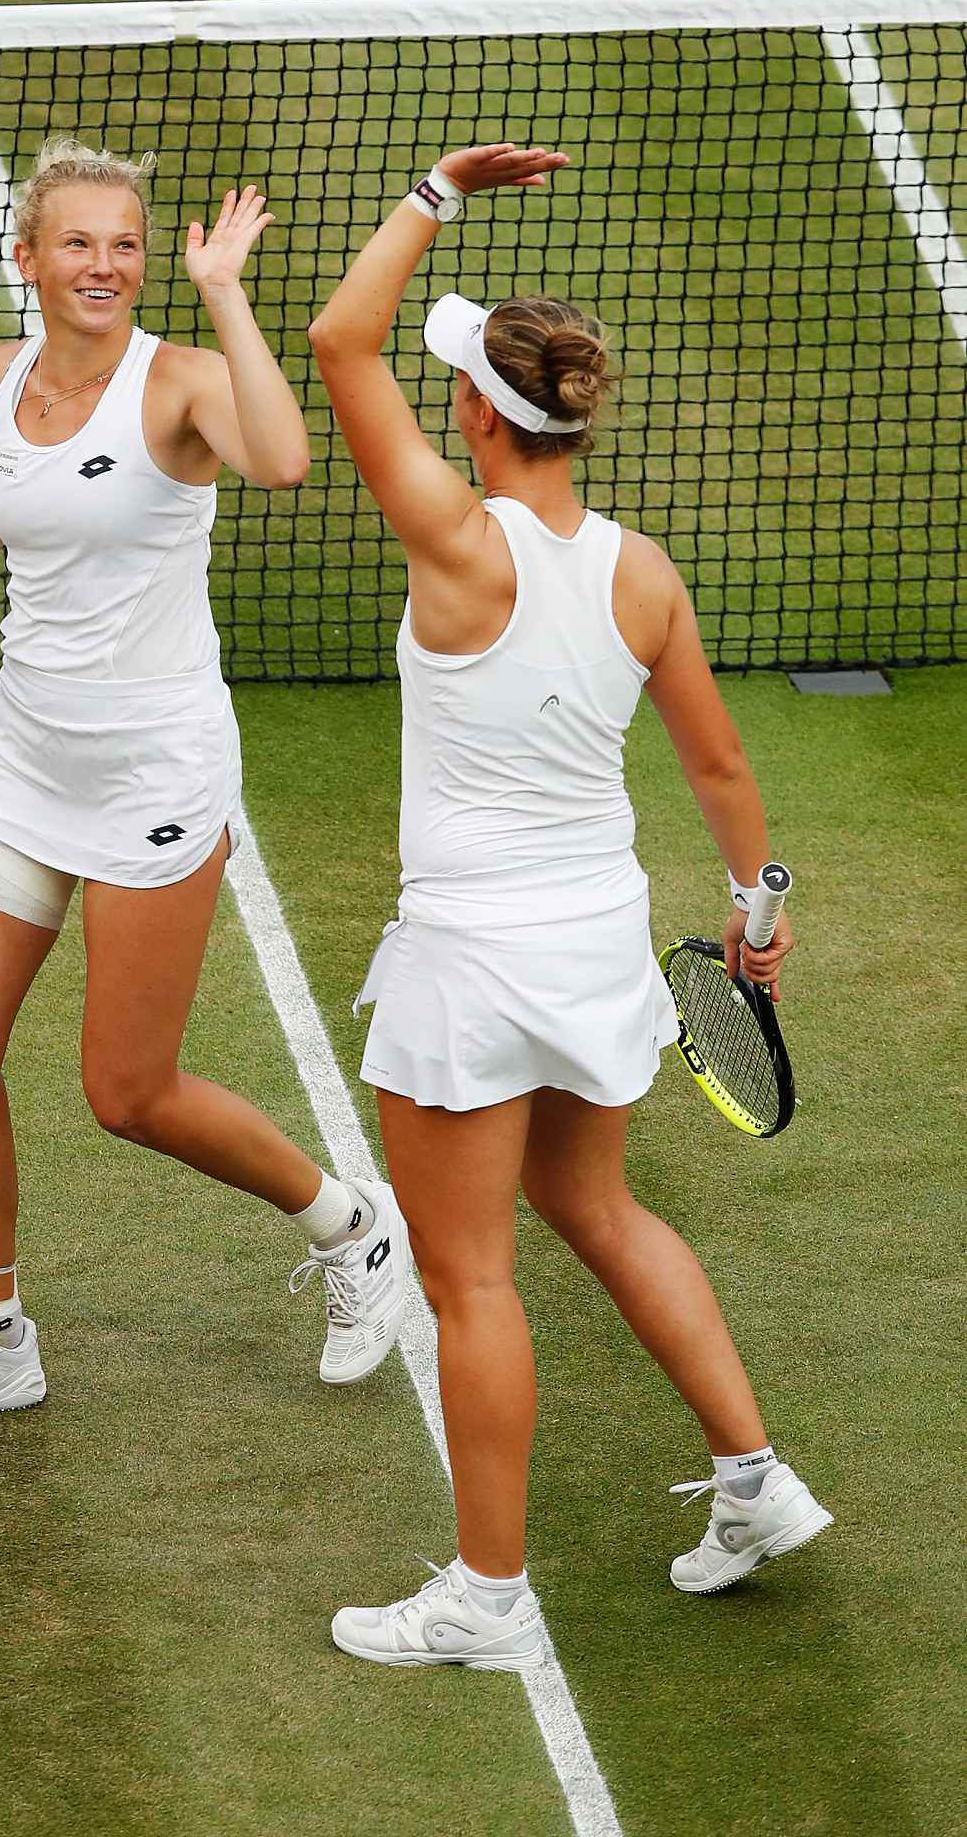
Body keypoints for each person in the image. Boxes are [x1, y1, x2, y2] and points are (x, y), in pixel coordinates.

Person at [307, 142, 832, 1671]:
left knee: (469, 1277)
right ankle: (752, 1480)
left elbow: (339, 341)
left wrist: (432, 191)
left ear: (479, 410)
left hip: (472, 957)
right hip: (598, 935)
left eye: (458, 377)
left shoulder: (454, 544)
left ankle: (484, 1596)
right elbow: (719, 760)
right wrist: (755, 908)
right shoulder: (640, 573)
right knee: (591, 1203)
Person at [0, 135, 408, 1430]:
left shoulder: (183, 383)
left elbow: (281, 462)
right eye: (78, 243)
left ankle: (350, 1226)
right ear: (28, 258)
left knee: (129, 1091)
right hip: (24, 757)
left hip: (154, 765)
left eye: (125, 244)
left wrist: (223, 290)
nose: (103, 265)